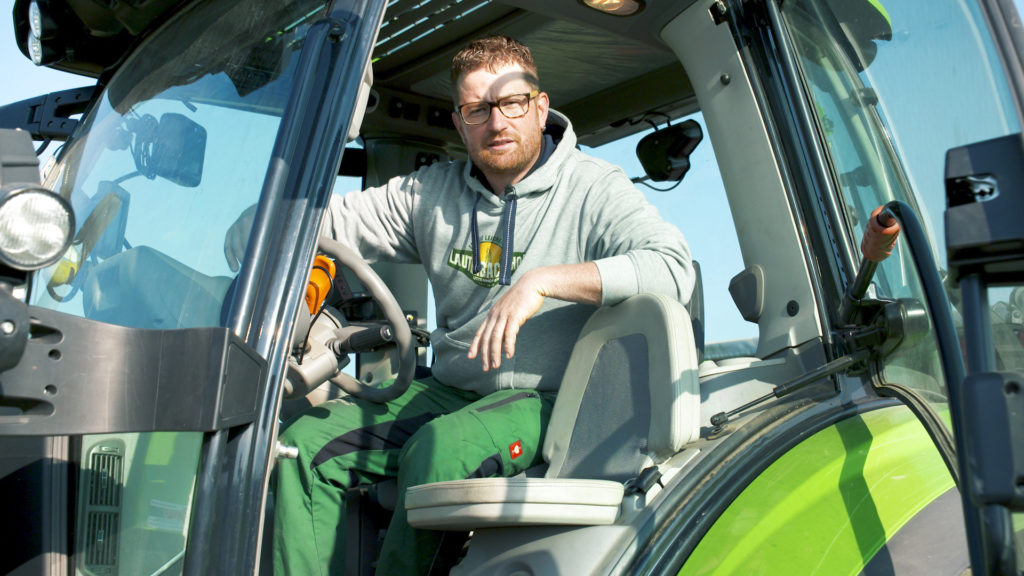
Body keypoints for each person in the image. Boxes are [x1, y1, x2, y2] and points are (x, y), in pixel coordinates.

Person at [271, 35, 695, 575]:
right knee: (304, 445)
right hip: (450, 390)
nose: (497, 122)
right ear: (459, 122)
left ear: (540, 107)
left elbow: (672, 267)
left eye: (512, 103)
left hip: (548, 398)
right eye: (477, 110)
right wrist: (259, 234)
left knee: (441, 450)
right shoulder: (429, 195)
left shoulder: (593, 188)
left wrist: (544, 282)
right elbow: (325, 225)